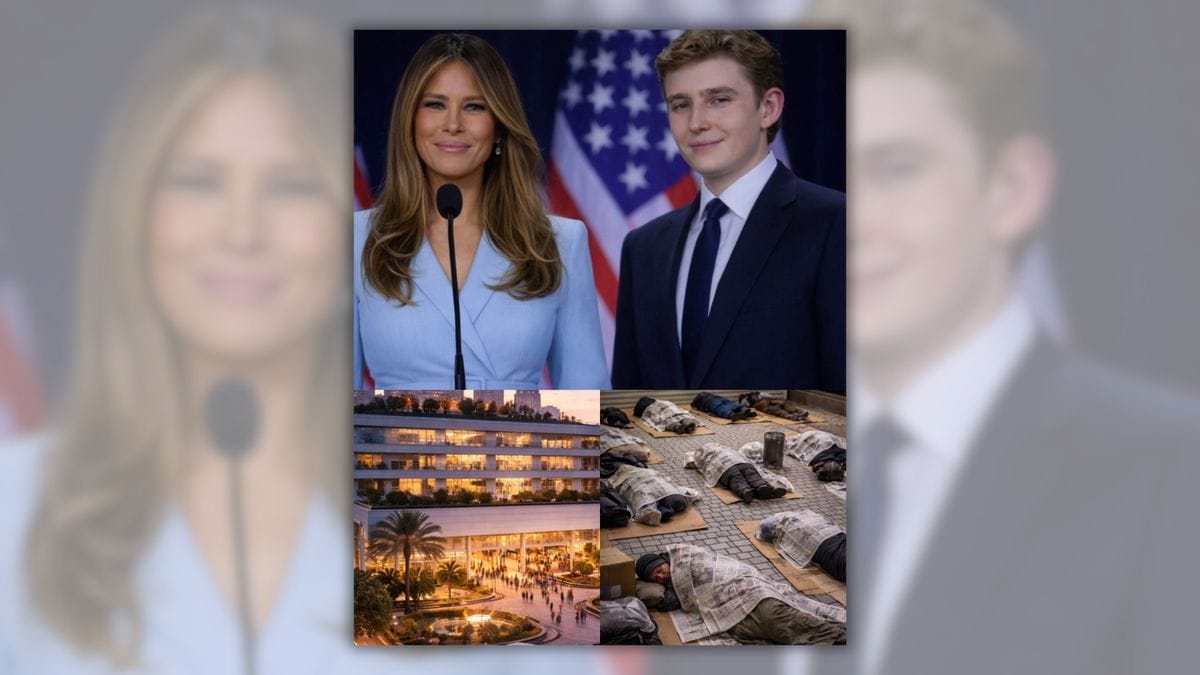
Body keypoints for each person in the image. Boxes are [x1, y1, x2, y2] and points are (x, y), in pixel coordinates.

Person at [354, 33, 608, 389]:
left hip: (523, 440)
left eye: (474, 106)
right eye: (435, 104)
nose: (453, 124)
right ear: (410, 121)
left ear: (499, 126)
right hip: (394, 441)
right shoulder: (355, 239)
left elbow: (587, 394)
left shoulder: (559, 242)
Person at [612, 29, 845, 390]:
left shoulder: (835, 224)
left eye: (719, 99)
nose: (696, 122)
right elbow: (627, 401)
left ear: (768, 108)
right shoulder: (643, 247)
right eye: (680, 105)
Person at [632, 547, 845, 645]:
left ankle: (838, 636)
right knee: (747, 631)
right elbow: (668, 600)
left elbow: (715, 565)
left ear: (662, 561)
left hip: (748, 587)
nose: (661, 576)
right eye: (656, 578)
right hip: (732, 609)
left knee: (776, 617)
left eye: (659, 570)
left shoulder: (685, 558)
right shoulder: (671, 586)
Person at [690, 442, 791, 504]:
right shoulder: (727, 449)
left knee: (737, 480)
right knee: (753, 476)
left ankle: (745, 491)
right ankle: (762, 486)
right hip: (742, 462)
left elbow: (695, 463)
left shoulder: (703, 456)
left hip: (726, 468)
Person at [690, 391, 756, 421]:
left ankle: (731, 414)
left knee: (719, 408)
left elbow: (694, 405)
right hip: (720, 398)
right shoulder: (708, 394)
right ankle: (743, 409)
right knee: (731, 403)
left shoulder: (696, 402)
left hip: (711, 402)